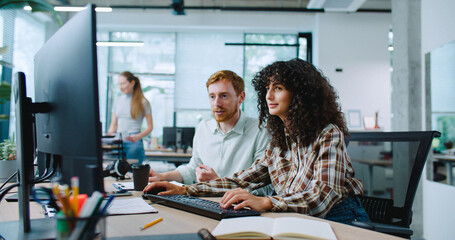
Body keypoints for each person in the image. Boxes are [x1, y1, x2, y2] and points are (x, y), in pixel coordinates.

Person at [143, 59, 370, 224]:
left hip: (342, 219)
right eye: (267, 89)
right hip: (297, 218)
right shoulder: (281, 140)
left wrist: (267, 202)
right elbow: (241, 180)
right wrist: (185, 190)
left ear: (300, 94)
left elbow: (321, 198)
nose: (268, 96)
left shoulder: (328, 134)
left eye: (278, 88)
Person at [148, 70, 272, 195]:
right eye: (212, 96)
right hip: (206, 201)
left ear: (241, 97)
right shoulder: (203, 128)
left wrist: (218, 183)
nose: (216, 103)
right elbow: (193, 169)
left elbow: (266, 188)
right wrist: (162, 176)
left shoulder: (261, 131)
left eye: (224, 96)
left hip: (241, 207)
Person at [108, 71, 153, 164]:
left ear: (132, 83)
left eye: (123, 83)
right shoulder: (117, 101)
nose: (121, 87)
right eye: (119, 84)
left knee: (133, 172)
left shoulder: (143, 102)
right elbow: (113, 125)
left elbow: (150, 127)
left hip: (133, 141)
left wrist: (137, 137)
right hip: (118, 140)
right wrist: (107, 138)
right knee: (115, 172)